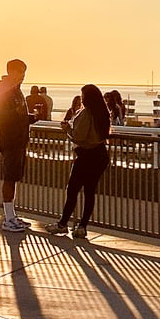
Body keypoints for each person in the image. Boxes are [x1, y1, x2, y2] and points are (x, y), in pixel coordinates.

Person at [45, 83, 111, 240]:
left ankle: (62, 224)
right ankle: (82, 226)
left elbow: (79, 137)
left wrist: (67, 129)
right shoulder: (103, 113)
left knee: (72, 190)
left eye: (82, 95)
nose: (81, 98)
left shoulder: (87, 113)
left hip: (86, 155)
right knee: (89, 192)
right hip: (100, 155)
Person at [0, 58, 35, 232]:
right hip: (10, 140)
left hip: (18, 140)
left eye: (24, 72)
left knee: (14, 177)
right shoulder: (5, 91)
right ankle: (8, 218)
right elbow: (5, 118)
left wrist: (30, 118)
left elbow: (16, 116)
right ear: (12, 72)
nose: (23, 76)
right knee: (9, 177)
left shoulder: (15, 91)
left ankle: (12, 215)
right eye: (20, 72)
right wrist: (27, 118)